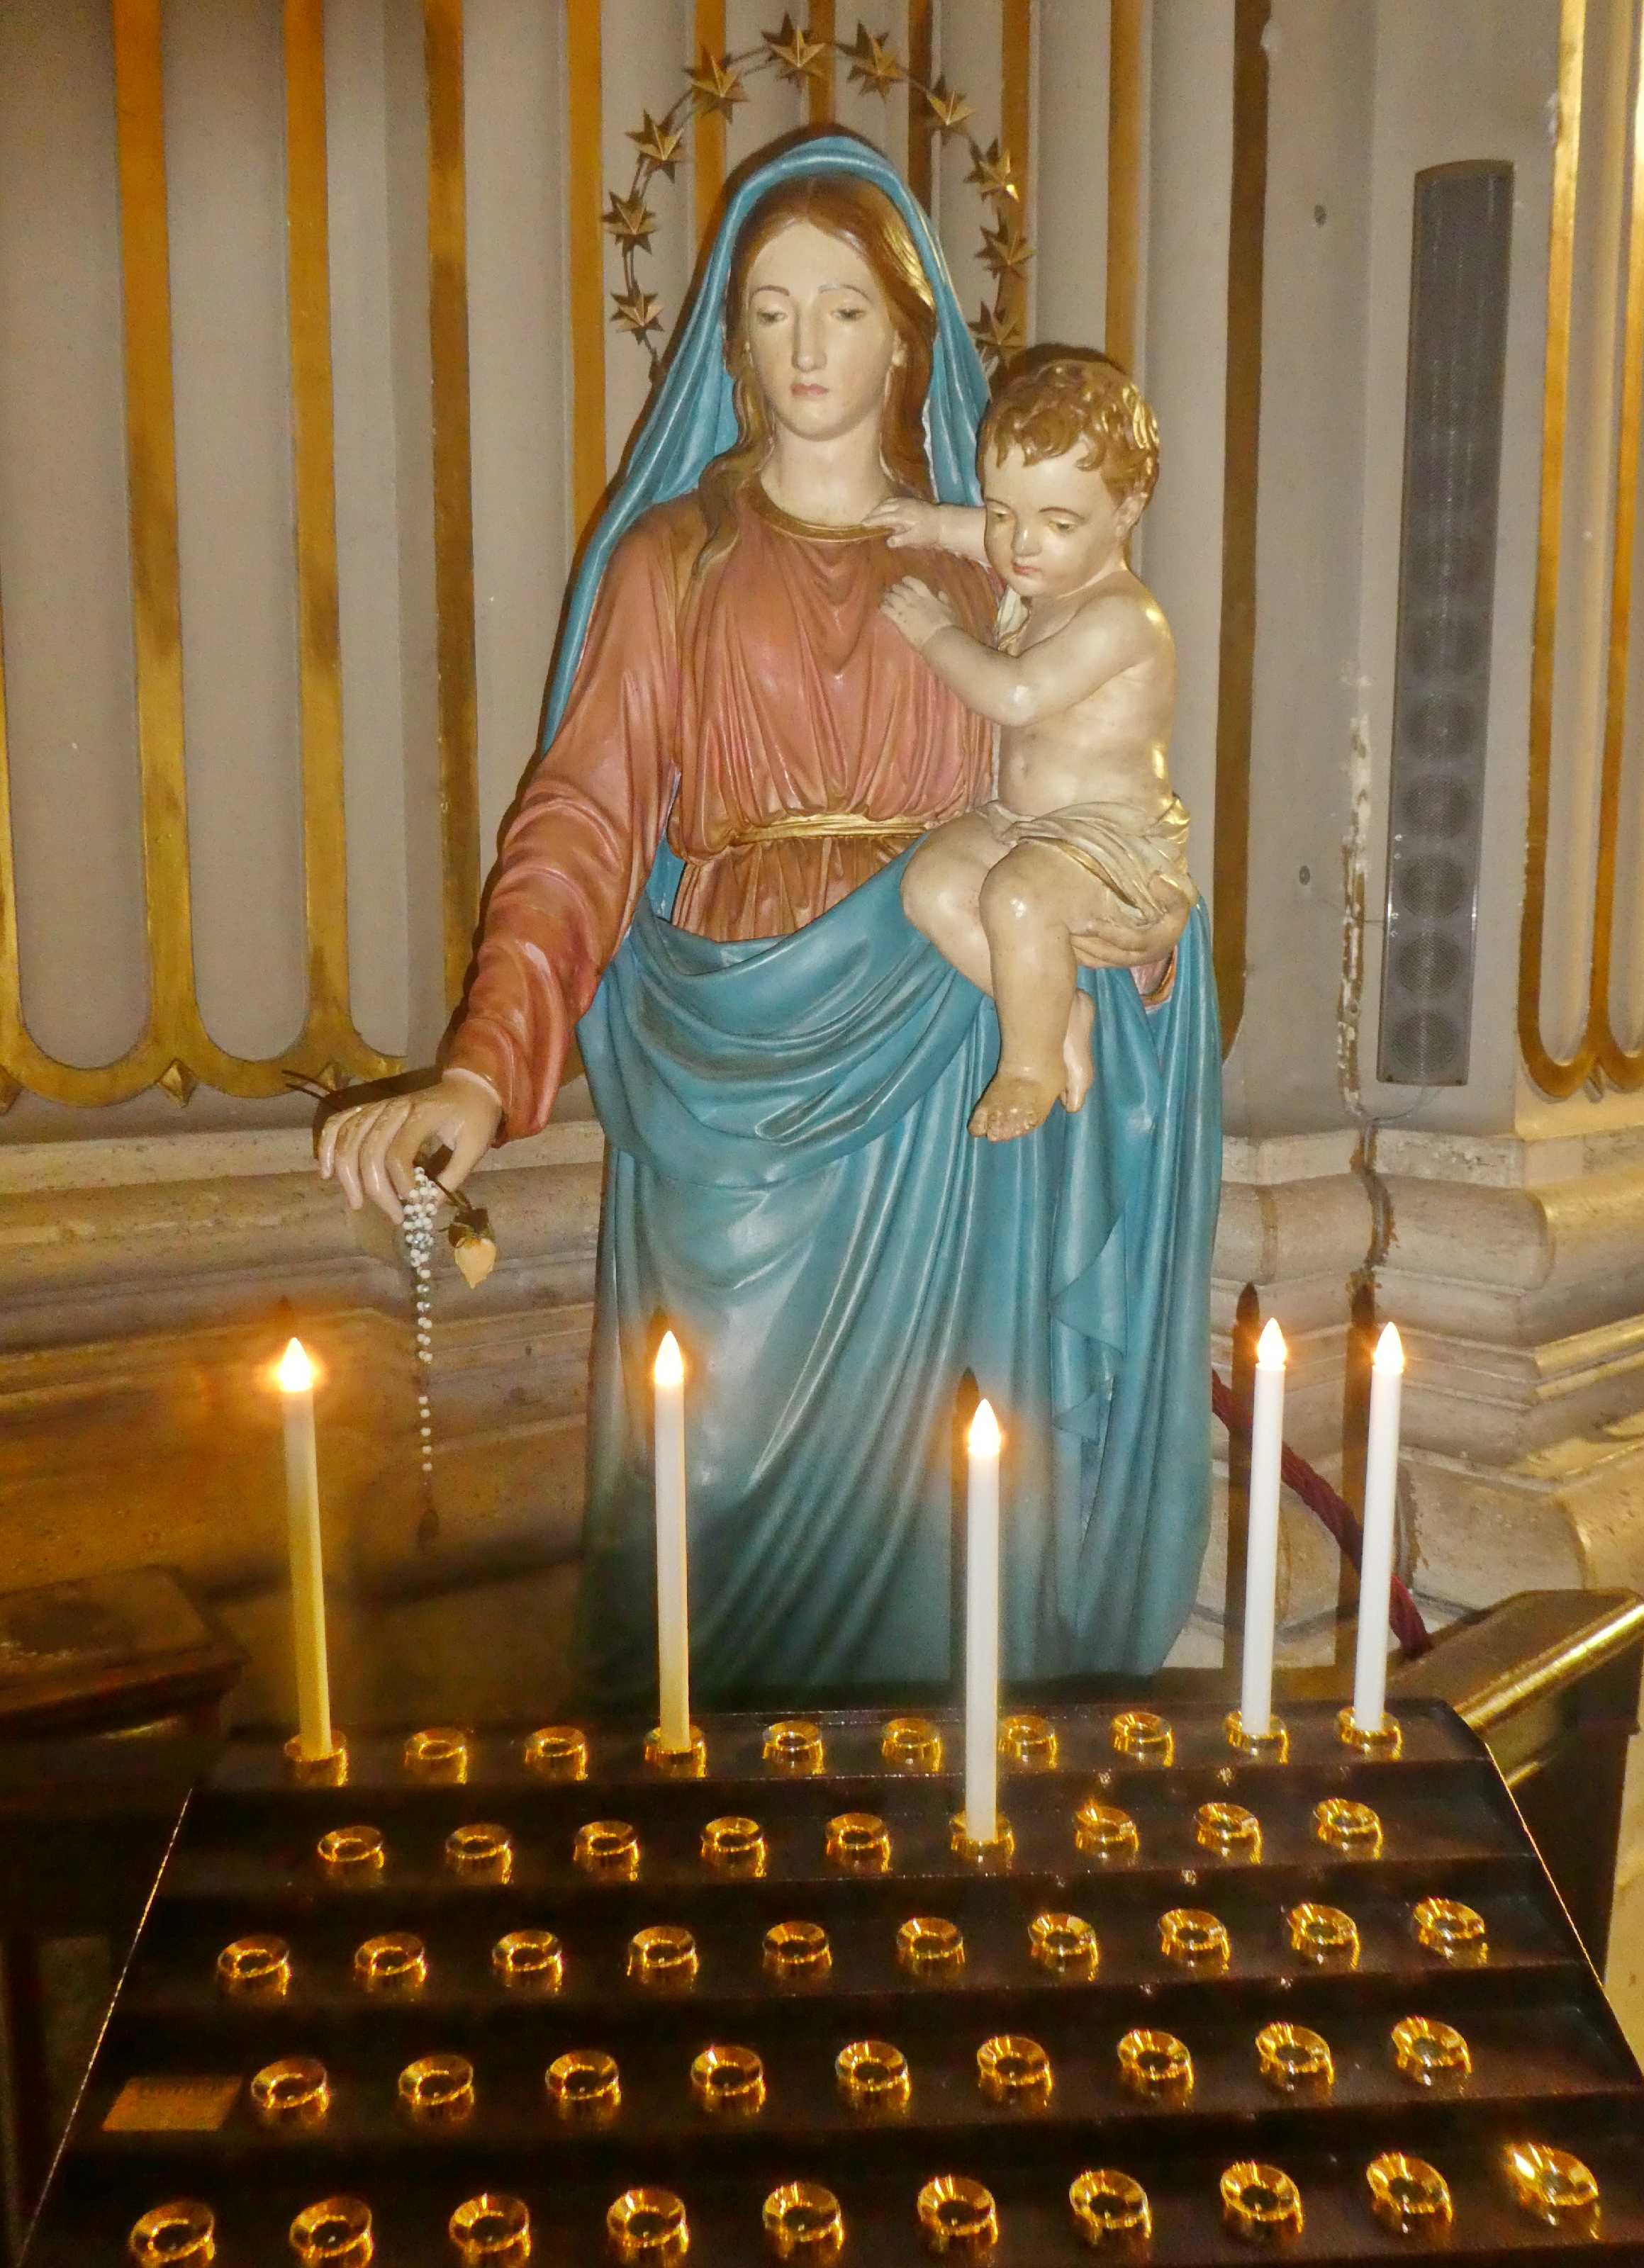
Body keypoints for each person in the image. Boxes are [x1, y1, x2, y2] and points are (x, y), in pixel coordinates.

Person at [317, 133, 1221, 1703]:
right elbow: (583, 821)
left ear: (905, 338)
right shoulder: (672, 563)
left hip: (936, 1069)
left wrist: (1137, 949)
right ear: (731, 338)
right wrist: (481, 1069)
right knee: (708, 1486)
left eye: (847, 309)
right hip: (725, 1083)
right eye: (773, 309)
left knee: (932, 1494)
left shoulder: (998, 580)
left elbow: (1098, 796)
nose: (809, 347)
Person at [874, 357, 1195, 1141]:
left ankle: (1031, 1064)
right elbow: (996, 544)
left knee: (1017, 898)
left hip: (1109, 842)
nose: (1022, 545)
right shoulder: (1045, 576)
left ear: (1126, 510)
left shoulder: (1121, 618)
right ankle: (1060, 1012)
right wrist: (936, 525)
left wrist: (936, 634)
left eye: (1058, 523)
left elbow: (1015, 695)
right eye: (1000, 512)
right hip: (1023, 824)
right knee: (932, 885)